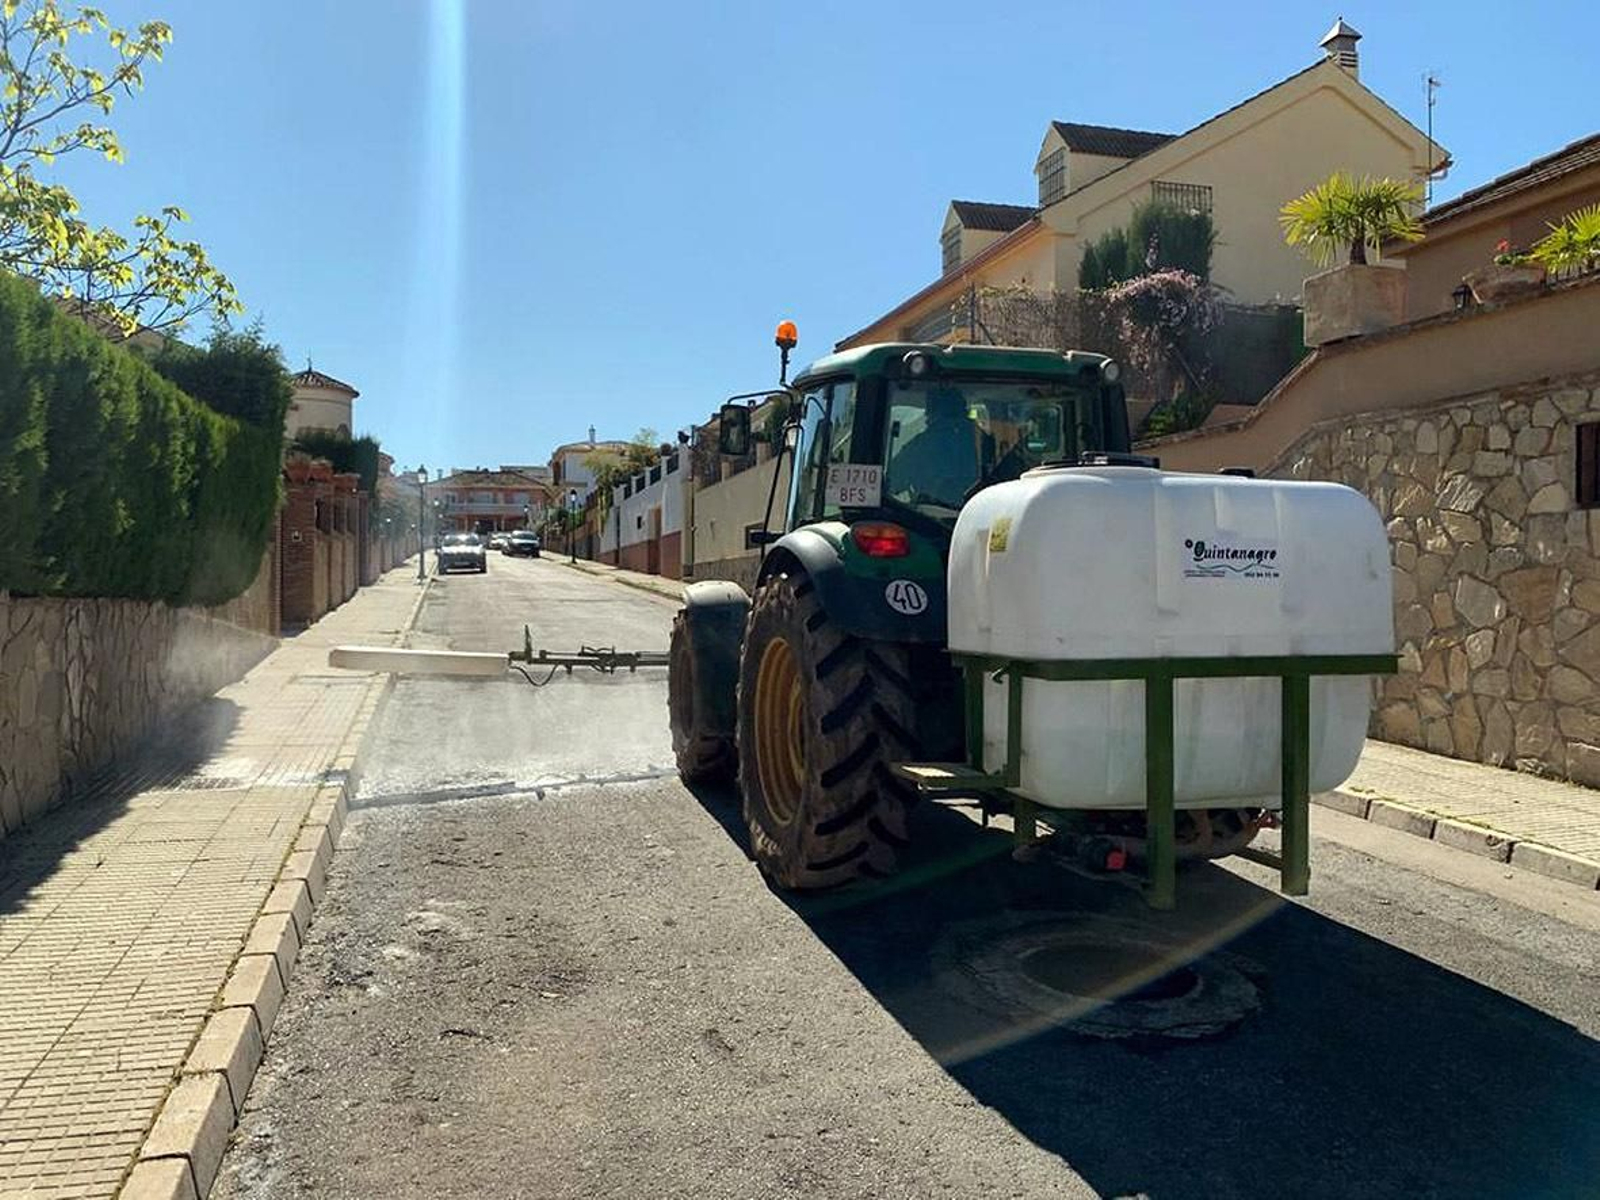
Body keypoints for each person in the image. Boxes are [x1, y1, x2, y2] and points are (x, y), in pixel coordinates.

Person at [891, 387, 980, 507]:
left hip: (929, 517)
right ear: (963, 408)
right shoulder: (984, 440)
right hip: (987, 517)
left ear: (931, 412)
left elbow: (893, 482)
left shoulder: (921, 446)